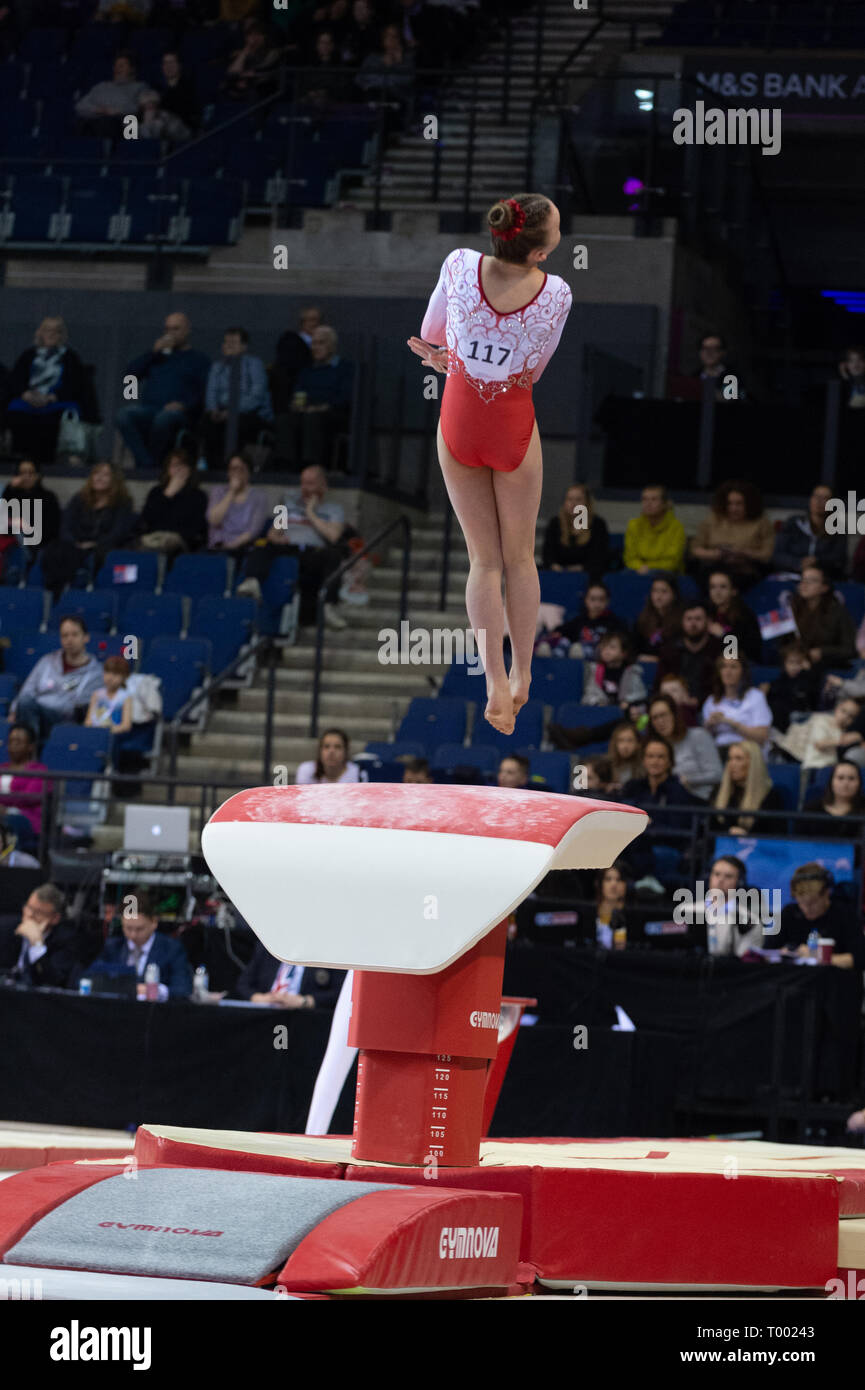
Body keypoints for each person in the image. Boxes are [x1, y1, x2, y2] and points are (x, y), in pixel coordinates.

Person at [409, 193, 572, 735]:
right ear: (541, 253)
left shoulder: (458, 264)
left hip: (458, 418)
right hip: (509, 420)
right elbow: (537, 371)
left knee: (484, 561)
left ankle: (493, 682)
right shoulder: (555, 295)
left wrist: (451, 354)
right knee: (520, 559)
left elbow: (431, 334)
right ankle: (523, 675)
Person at [236, 464, 351, 627]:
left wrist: (311, 513)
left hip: (313, 552)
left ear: (323, 486)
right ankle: (252, 581)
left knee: (333, 556)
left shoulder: (334, 509)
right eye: (303, 483)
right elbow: (273, 533)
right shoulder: (289, 504)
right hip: (288, 547)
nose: (305, 488)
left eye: (310, 483)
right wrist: (278, 538)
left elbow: (333, 536)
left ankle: (328, 607)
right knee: (262, 544)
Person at [116, 313, 210, 470]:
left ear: (187, 330)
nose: (170, 333)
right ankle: (147, 463)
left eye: (175, 329)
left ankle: (154, 464)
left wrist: (184, 405)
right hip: (149, 410)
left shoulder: (199, 360)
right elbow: (130, 377)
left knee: (164, 418)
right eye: (167, 329)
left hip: (180, 414)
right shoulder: (156, 357)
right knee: (123, 415)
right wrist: (153, 353)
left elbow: (204, 392)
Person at [3, 317, 99, 464]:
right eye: (48, 330)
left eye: (57, 331)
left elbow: (75, 384)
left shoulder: (70, 357)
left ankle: (47, 461)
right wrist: (26, 394)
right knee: (15, 412)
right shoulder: (28, 355)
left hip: (56, 400)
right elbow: (16, 380)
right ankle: (21, 459)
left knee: (53, 418)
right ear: (40, 333)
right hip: (28, 399)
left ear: (62, 335)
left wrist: (50, 397)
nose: (52, 334)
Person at [41, 463, 136, 597]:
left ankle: (78, 591)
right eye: (96, 474)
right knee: (54, 550)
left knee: (97, 555)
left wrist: (95, 544)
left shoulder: (123, 503)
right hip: (75, 544)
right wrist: (75, 542)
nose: (99, 478)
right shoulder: (79, 499)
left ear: (115, 479)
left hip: (104, 546)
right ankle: (56, 593)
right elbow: (65, 526)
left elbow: (118, 532)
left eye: (105, 475)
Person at [9, 616, 102, 746]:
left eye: (74, 634)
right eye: (65, 636)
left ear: (86, 637)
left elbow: (79, 708)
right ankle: (30, 749)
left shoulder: (96, 672)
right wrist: (14, 711)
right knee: (24, 702)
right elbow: (27, 689)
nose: (69, 640)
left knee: (28, 707)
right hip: (35, 714)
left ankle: (30, 751)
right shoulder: (47, 661)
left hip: (65, 721)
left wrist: (45, 706)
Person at [86, 887, 193, 999]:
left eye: (139, 929)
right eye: (128, 928)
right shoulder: (113, 947)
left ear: (153, 922)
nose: (133, 935)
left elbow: (183, 989)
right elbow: (90, 979)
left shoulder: (172, 949)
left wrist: (154, 990)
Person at [280, 325, 354, 471]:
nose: (315, 347)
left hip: (334, 413)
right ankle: (285, 465)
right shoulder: (307, 371)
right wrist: (298, 405)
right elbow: (298, 394)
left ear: (332, 346)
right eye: (313, 343)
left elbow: (346, 397)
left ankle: (311, 466)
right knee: (285, 419)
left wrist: (322, 407)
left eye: (321, 343)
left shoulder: (345, 368)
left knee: (313, 419)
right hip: (307, 411)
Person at [202, 327, 273, 471]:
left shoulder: (254, 364)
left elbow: (256, 396)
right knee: (206, 423)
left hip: (250, 412)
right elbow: (211, 393)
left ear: (244, 346)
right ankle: (215, 467)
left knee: (240, 423)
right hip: (222, 412)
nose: (228, 346)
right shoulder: (217, 367)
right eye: (226, 342)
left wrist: (233, 411)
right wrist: (214, 410)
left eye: (233, 342)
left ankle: (242, 466)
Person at [772, 863, 865, 970]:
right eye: (801, 903)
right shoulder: (789, 913)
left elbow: (859, 959)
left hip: (834, 982)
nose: (806, 909)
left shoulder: (844, 914)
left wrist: (817, 956)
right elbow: (766, 952)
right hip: (793, 982)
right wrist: (786, 953)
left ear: (827, 893)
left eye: (812, 903)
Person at [689, 479, 773, 590]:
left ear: (749, 504)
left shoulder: (761, 523)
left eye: (739, 504)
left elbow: (767, 555)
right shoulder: (713, 519)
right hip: (714, 566)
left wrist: (745, 553)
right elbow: (695, 549)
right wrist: (715, 554)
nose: (734, 508)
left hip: (745, 571)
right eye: (730, 503)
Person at [0, 884, 82, 988]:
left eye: (38, 912)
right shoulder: (5, 928)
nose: (29, 915)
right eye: (28, 907)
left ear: (55, 918)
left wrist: (37, 945)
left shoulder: (66, 941)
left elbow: (53, 982)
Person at [647, 693, 722, 800]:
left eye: (663, 715)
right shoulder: (654, 748)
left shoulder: (698, 735)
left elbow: (717, 774)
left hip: (697, 803)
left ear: (674, 715)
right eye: (655, 718)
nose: (660, 721)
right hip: (665, 803)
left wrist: (688, 780)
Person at [772, 483, 847, 580]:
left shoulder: (837, 528)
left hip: (823, 580)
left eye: (825, 498)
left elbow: (839, 559)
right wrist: (798, 563)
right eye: (816, 496)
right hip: (789, 576)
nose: (819, 501)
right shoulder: (793, 523)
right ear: (810, 499)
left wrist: (817, 561)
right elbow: (777, 555)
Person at [137, 448, 207, 553]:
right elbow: (147, 519)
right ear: (168, 469)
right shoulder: (157, 492)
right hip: (153, 539)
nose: (178, 470)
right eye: (174, 466)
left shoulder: (198, 496)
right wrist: (168, 494)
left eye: (182, 465)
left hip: (181, 543)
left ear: (189, 470)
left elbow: (197, 528)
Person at [235, 940, 344, 1007]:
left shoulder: (329, 952)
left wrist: (305, 1001)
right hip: (266, 1015)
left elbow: (340, 993)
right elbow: (243, 984)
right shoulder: (268, 947)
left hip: (305, 1018)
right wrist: (259, 998)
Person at [654, 600, 723, 707]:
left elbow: (729, 676)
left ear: (708, 622)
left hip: (712, 705)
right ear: (682, 622)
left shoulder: (718, 648)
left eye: (698, 619)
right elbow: (660, 683)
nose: (693, 624)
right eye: (689, 619)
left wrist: (725, 635)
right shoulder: (670, 649)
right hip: (676, 706)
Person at [0, 459, 61, 579]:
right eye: (22, 473)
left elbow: (52, 528)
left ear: (38, 475)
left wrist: (28, 528)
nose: (26, 476)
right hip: (11, 539)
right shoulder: (11, 495)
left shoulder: (48, 497)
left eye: (30, 472)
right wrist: (10, 488)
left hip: (39, 542)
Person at [789, 565, 857, 669]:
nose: (804, 584)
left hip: (827, 665)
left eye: (811, 581)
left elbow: (849, 649)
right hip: (794, 665)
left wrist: (822, 652)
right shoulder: (792, 608)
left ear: (824, 587)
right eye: (802, 580)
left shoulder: (837, 611)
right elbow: (783, 644)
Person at [712, 739, 785, 834]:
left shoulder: (770, 797)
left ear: (753, 763)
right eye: (730, 759)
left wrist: (747, 837)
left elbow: (776, 837)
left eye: (738, 759)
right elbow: (708, 831)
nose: (732, 764)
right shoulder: (719, 792)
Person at [702, 655, 772, 753]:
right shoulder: (711, 701)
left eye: (733, 667)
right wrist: (709, 725)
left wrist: (732, 724)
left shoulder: (756, 697)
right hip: (719, 752)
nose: (728, 672)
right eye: (723, 667)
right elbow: (704, 741)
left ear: (743, 671)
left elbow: (762, 737)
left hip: (748, 752)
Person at [205, 454, 270, 557]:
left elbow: (253, 530)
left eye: (242, 469)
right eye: (233, 469)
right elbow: (213, 520)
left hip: (244, 549)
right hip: (217, 548)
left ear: (249, 472)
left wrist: (233, 545)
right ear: (228, 472)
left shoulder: (259, 496)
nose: (237, 473)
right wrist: (231, 492)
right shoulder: (218, 492)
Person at [541, 482, 610, 577]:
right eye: (569, 499)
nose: (573, 504)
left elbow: (600, 557)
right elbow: (547, 555)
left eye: (578, 500)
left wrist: (582, 568)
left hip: (588, 576)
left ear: (587, 502)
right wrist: (554, 566)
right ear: (564, 502)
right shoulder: (555, 523)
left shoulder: (597, 524)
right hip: (558, 576)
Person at [74, 51, 150, 134]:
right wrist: (99, 110)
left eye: (121, 66)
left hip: (120, 124)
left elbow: (138, 108)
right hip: (96, 120)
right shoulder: (101, 86)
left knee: (112, 123)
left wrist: (116, 111)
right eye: (115, 66)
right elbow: (80, 105)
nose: (117, 69)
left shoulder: (140, 87)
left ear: (132, 69)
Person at [703, 855, 765, 957]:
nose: (720, 880)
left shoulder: (751, 922)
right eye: (716, 874)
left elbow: (743, 962)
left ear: (739, 883)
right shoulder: (687, 911)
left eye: (728, 876)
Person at [554, 580, 627, 661]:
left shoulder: (614, 623)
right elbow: (560, 631)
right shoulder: (579, 620)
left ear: (607, 601)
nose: (597, 604)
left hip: (599, 659)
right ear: (585, 600)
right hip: (576, 658)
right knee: (564, 642)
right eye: (593, 599)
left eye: (601, 599)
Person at [622, 484, 686, 575]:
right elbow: (629, 557)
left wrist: (647, 568)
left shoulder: (676, 527)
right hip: (638, 570)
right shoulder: (633, 525)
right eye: (645, 499)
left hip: (666, 573)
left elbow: (672, 561)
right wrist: (640, 567)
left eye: (654, 499)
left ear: (664, 504)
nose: (648, 503)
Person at [0, 723, 46, 846]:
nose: (13, 745)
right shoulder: (2, 768)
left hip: (26, 819)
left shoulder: (39, 771)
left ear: (30, 746)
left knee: (7, 822)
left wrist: (4, 806)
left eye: (18, 741)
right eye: (11, 741)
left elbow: (27, 798)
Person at [706, 568, 762, 663]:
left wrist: (724, 636)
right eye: (713, 587)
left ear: (734, 591)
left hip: (737, 667)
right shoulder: (706, 613)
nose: (717, 592)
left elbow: (751, 652)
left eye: (723, 587)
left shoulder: (745, 616)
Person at [582, 630, 647, 711]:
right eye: (604, 647)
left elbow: (640, 695)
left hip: (624, 715)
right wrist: (598, 703)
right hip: (601, 712)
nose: (606, 651)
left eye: (612, 647)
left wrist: (628, 702)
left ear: (624, 653)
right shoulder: (595, 670)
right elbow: (589, 695)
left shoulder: (632, 671)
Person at [766, 642, 821, 733]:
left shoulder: (808, 679)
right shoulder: (776, 683)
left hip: (804, 721)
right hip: (784, 725)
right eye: (791, 662)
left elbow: (814, 701)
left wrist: (808, 672)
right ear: (784, 663)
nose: (794, 666)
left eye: (799, 663)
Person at [271, 306, 319, 412]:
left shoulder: (326, 343)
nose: (315, 324)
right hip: (292, 390)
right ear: (302, 322)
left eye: (318, 320)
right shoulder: (290, 341)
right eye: (311, 320)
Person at [802, 760, 865, 839]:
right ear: (831, 781)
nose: (846, 783)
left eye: (851, 778)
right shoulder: (811, 809)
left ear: (859, 783)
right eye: (840, 778)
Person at [224, 21, 280, 100]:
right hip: (243, 85)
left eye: (259, 35)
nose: (255, 38)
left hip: (262, 85)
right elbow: (232, 72)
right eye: (251, 35)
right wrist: (245, 51)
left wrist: (249, 74)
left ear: (265, 37)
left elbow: (266, 69)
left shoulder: (273, 52)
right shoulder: (240, 53)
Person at [633, 573, 682, 658]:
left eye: (664, 591)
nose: (658, 596)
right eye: (655, 591)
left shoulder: (681, 620)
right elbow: (634, 649)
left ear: (674, 595)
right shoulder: (642, 619)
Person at [85, 656, 134, 735]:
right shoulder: (97, 694)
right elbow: (88, 721)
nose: (110, 678)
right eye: (107, 672)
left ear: (124, 677)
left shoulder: (125, 697)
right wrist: (92, 730)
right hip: (94, 734)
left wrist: (107, 732)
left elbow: (126, 726)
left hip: (113, 736)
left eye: (115, 674)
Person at [155, 49, 199, 130]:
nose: (168, 66)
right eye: (165, 63)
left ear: (179, 65)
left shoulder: (188, 87)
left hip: (184, 126)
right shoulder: (158, 88)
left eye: (172, 62)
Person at [295, 728, 360, 784]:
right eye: (326, 746)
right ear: (320, 750)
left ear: (346, 750)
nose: (331, 751)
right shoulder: (306, 770)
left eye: (338, 747)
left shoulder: (357, 773)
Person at [606, 721, 643, 790]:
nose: (625, 746)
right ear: (615, 744)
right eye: (621, 740)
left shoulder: (645, 767)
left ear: (638, 744)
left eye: (630, 740)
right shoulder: (606, 766)